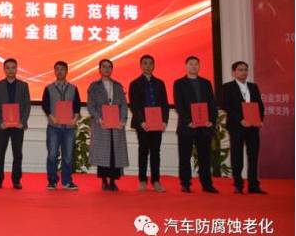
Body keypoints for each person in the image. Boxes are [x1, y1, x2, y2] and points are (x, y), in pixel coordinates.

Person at [173, 56, 219, 193]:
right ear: (186, 66)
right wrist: (188, 121)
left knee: (205, 157)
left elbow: (212, 104)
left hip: (204, 126)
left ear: (199, 66)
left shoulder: (206, 83)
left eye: (196, 64)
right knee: (184, 157)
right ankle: (185, 183)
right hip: (187, 126)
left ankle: (207, 184)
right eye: (191, 64)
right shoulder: (179, 83)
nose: (193, 66)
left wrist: (211, 120)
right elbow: (179, 105)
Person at [221, 61, 267, 194]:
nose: (244, 72)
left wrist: (260, 120)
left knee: (253, 156)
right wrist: (240, 120)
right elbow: (225, 105)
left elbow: (260, 105)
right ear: (233, 72)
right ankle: (238, 184)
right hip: (237, 126)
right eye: (240, 70)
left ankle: (253, 185)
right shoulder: (227, 87)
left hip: (253, 126)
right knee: (237, 156)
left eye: (245, 70)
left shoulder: (253, 86)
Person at [128, 54, 170, 192]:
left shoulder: (160, 83)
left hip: (157, 123)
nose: (148, 66)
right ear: (141, 65)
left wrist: (164, 121)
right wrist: (142, 122)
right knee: (143, 151)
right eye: (145, 63)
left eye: (150, 63)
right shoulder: (134, 84)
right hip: (143, 124)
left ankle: (156, 181)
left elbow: (165, 104)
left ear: (154, 65)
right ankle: (142, 180)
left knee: (155, 152)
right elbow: (134, 105)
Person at [87, 59, 129, 191]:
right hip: (102, 124)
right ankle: (104, 180)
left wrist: (123, 120)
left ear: (112, 69)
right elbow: (91, 106)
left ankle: (113, 181)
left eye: (109, 67)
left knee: (114, 152)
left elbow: (124, 105)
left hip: (116, 124)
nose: (106, 69)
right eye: (104, 67)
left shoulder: (117, 86)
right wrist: (98, 119)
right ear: (99, 69)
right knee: (103, 152)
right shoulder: (94, 86)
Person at [0, 58, 31, 189]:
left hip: (18, 125)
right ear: (4, 69)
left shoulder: (24, 85)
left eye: (13, 67)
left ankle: (16, 180)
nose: (10, 70)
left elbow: (27, 105)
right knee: (0, 153)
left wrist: (22, 122)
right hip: (3, 125)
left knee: (17, 153)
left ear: (16, 69)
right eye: (8, 68)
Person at [41, 61, 82, 190]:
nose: (59, 72)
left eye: (62, 69)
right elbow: (45, 105)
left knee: (68, 157)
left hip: (69, 128)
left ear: (67, 71)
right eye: (57, 69)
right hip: (54, 127)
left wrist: (75, 118)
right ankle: (52, 181)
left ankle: (67, 181)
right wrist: (51, 117)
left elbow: (77, 105)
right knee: (52, 155)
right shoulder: (49, 88)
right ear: (54, 71)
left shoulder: (73, 88)